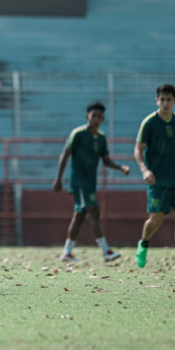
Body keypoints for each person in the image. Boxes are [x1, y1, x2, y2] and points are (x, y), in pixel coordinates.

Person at [53, 102, 130, 263]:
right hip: (80, 181)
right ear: (87, 116)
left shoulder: (101, 138)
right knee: (94, 212)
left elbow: (106, 160)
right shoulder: (78, 133)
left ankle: (67, 253)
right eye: (93, 115)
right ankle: (106, 251)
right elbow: (65, 154)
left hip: (90, 182)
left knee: (80, 216)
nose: (96, 119)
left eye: (99, 116)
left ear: (103, 119)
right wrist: (59, 178)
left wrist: (120, 167)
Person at [134, 84, 175, 269]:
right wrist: (145, 170)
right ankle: (143, 244)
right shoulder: (149, 123)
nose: (165, 103)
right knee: (156, 219)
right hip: (157, 179)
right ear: (157, 100)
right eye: (162, 99)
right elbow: (138, 150)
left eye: (169, 100)